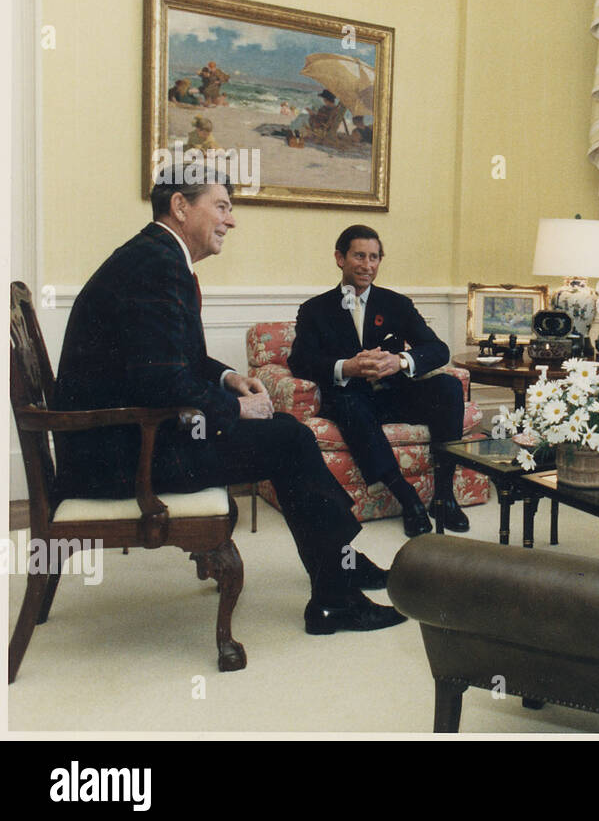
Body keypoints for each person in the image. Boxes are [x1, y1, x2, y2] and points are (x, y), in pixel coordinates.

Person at [52, 163, 405, 635]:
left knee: (287, 435)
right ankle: (336, 595)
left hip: (117, 441)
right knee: (291, 440)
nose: (231, 220)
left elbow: (181, 361)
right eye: (221, 206)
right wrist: (237, 410)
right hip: (121, 456)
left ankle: (339, 562)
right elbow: (160, 384)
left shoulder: (153, 256)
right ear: (181, 206)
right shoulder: (157, 266)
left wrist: (230, 379)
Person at [289, 225, 469, 537]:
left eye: (374, 257)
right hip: (350, 399)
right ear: (339, 258)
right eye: (359, 256)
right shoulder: (314, 310)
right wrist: (347, 367)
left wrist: (398, 361)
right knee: (350, 405)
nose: (368, 265)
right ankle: (406, 497)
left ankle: (443, 496)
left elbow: (438, 349)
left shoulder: (397, 304)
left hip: (394, 394)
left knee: (449, 387)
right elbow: (299, 361)